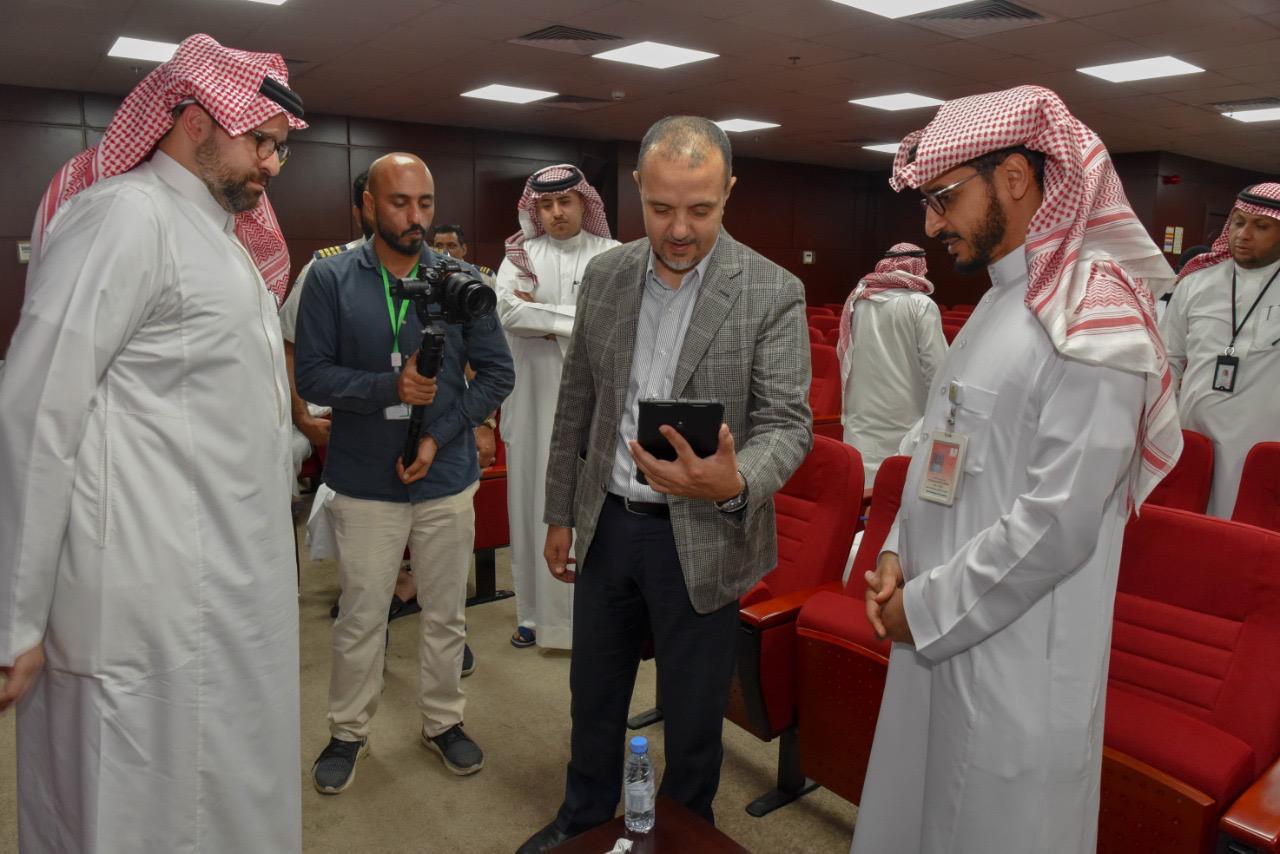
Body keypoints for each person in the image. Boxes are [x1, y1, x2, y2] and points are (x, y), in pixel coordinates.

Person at [0, 33, 307, 852]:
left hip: (234, 578)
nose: (272, 163)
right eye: (259, 140)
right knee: (132, 800)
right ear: (194, 120)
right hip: (145, 582)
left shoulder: (223, 240)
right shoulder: (124, 216)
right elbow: (37, 411)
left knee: (225, 788)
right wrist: (15, 618)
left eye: (280, 146)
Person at [856, 85, 1180, 854]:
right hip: (935, 624)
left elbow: (1056, 523)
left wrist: (925, 609)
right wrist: (898, 550)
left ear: (1013, 177)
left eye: (943, 199)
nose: (931, 225)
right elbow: (939, 447)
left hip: (1018, 669)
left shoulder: (1094, 316)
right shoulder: (997, 304)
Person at [516, 117, 812, 853]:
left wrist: (733, 482)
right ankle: (583, 818)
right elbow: (579, 403)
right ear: (637, 190)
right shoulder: (608, 275)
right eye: (661, 208)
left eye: (701, 209)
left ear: (728, 193)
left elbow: (788, 425)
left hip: (707, 534)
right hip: (611, 524)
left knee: (693, 711)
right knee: (594, 693)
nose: (679, 230)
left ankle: (684, 833)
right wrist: (560, 512)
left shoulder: (771, 290)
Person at [295, 152, 513, 793]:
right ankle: (348, 731)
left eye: (425, 203)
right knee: (362, 616)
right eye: (399, 203)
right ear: (368, 205)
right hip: (364, 482)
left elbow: (498, 372)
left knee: (446, 612)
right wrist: (388, 386)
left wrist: (441, 435)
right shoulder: (330, 278)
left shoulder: (461, 281)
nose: (415, 216)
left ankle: (443, 721)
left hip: (446, 478)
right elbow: (312, 377)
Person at [495, 164, 620, 650]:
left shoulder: (612, 254)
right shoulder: (520, 255)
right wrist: (579, 321)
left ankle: (594, 618)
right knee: (531, 503)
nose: (555, 212)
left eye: (565, 202)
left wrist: (547, 322)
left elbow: (616, 321)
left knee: (594, 506)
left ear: (584, 203)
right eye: (545, 205)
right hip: (531, 400)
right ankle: (533, 616)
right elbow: (510, 313)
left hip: (596, 402)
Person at [1161, 184, 1280, 517]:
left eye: (1261, 226)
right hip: (1193, 438)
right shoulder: (1195, 283)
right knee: (1188, 529)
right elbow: (1168, 359)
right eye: (1238, 222)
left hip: (1263, 447)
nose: (1243, 234)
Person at [836, 242, 947, 487]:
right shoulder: (921, 304)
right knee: (895, 491)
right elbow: (938, 368)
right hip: (906, 417)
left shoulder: (858, 301)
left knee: (862, 489)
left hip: (862, 413)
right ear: (918, 267)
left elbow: (843, 353)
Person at [431, 223, 496, 283]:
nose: (444, 251)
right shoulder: (429, 275)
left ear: (464, 250)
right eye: (438, 246)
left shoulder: (484, 277)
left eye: (451, 246)